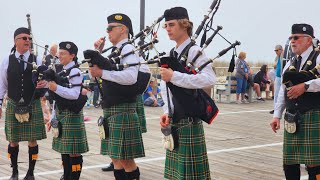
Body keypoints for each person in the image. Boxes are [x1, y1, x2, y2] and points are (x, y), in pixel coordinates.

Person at [159, 7, 215, 179]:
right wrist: (167, 111)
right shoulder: (172, 53)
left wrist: (174, 76)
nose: (167, 29)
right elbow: (165, 87)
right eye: (166, 25)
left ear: (184, 25)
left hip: (189, 122)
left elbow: (209, 78)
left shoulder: (194, 51)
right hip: (176, 120)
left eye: (172, 25)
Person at [90, 13, 145, 179]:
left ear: (122, 29)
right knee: (116, 159)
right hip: (112, 109)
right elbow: (96, 76)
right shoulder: (116, 50)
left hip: (122, 109)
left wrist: (102, 72)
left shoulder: (127, 48)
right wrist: (97, 54)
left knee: (126, 160)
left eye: (110, 28)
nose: (107, 32)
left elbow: (130, 77)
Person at [270, 23, 320, 179]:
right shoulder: (290, 62)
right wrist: (277, 115)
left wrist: (305, 86)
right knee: (289, 161)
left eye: (296, 37)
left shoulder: (318, 57)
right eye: (291, 37)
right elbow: (282, 92)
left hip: (313, 116)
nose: (292, 41)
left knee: (314, 162)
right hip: (292, 118)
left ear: (308, 40)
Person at [0, 27, 47, 180]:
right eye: (24, 38)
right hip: (14, 103)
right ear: (15, 41)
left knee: (32, 140)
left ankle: (31, 172)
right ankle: (14, 172)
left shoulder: (37, 60)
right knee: (13, 141)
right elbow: (2, 84)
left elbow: (45, 82)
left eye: (29, 38)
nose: (28, 40)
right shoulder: (7, 60)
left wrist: (43, 85)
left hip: (31, 103)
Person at [47, 41, 89, 180]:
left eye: (63, 54)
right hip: (61, 113)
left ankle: (74, 177)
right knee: (64, 150)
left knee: (74, 152)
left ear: (72, 56)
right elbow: (56, 99)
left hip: (72, 115)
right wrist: (53, 116)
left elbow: (74, 94)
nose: (60, 56)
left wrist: (56, 88)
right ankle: (67, 175)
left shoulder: (75, 71)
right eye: (59, 53)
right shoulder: (61, 70)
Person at [270, 45, 284, 114]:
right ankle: (275, 108)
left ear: (281, 50)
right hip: (278, 77)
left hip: (283, 77)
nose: (276, 52)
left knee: (283, 93)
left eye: (277, 50)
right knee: (276, 93)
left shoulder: (284, 56)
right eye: (275, 50)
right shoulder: (277, 57)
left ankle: (282, 109)